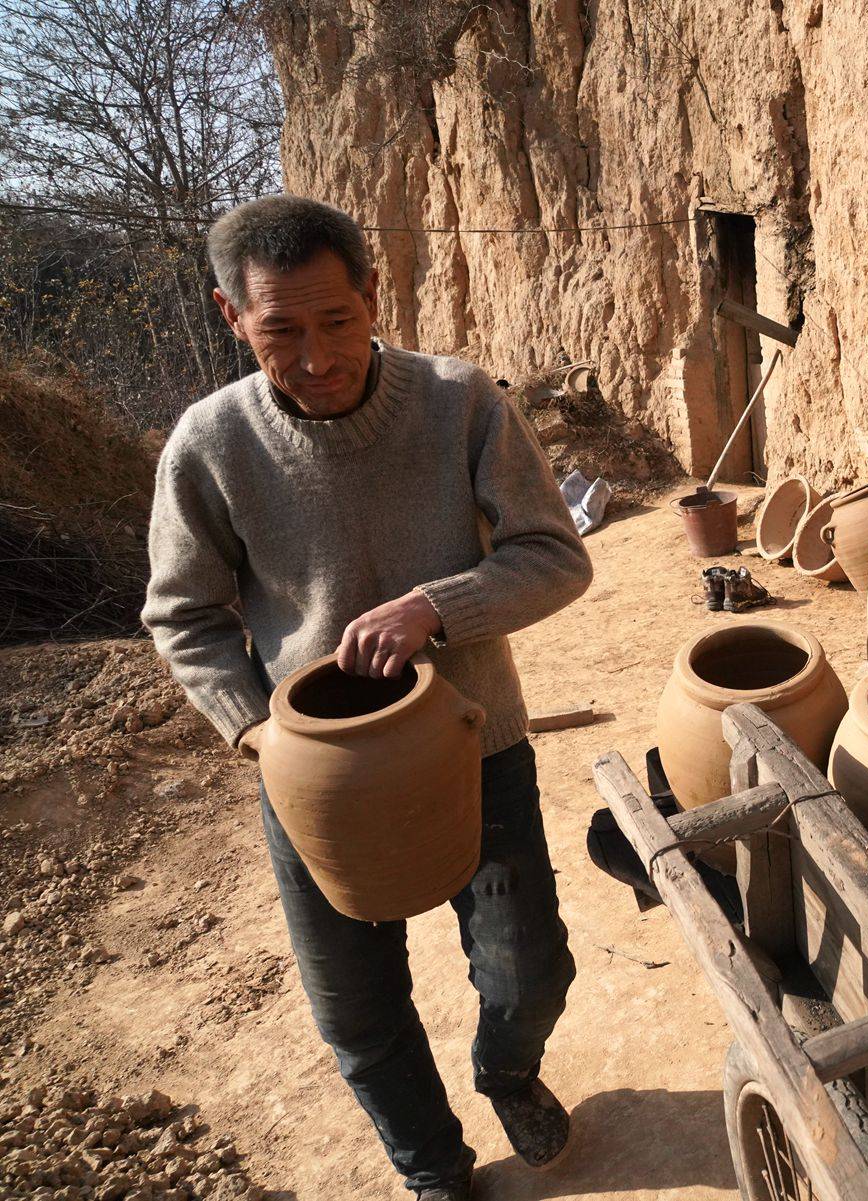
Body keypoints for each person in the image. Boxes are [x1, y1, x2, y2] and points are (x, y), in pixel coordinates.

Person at [142, 195, 593, 1200]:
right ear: (231, 316)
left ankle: (506, 1070)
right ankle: (434, 1169)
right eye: (279, 333)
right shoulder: (208, 444)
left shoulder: (460, 400)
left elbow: (555, 559)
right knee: (357, 1012)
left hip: (474, 745)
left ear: (373, 295)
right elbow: (184, 615)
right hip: (310, 774)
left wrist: (438, 606)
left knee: (531, 977)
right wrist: (258, 730)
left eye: (337, 322)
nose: (313, 358)